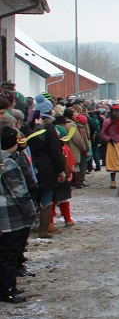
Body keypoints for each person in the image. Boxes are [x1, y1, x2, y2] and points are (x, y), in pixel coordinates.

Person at [1, 127, 36, 303]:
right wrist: (31, 212)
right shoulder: (7, 163)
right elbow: (19, 191)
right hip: (11, 215)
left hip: (6, 215)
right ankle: (7, 290)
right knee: (9, 254)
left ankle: (7, 287)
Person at [21, 108, 65, 238]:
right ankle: (43, 229)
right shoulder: (49, 129)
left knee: (34, 195)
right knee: (46, 195)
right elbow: (55, 151)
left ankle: (33, 228)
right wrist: (60, 170)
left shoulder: (25, 127)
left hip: (30, 164)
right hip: (47, 167)